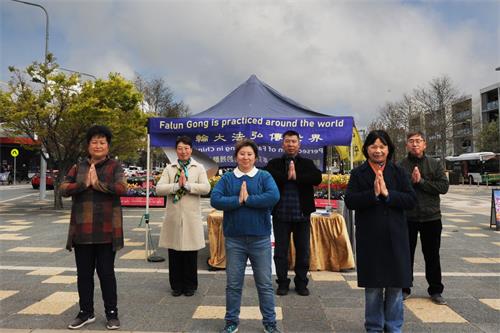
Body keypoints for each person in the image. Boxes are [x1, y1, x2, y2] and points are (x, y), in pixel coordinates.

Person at [344, 130, 416, 333]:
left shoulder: (398, 172)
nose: (378, 150)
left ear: (388, 149)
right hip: (370, 238)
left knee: (395, 287)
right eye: (374, 146)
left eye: (382, 146)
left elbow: (411, 200)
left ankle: (393, 327)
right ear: (366, 149)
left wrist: (387, 194)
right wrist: (373, 195)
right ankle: (374, 327)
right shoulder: (358, 173)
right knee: (373, 288)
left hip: (396, 237)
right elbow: (350, 201)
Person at [211, 139, 281, 333]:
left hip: (260, 239)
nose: (246, 157)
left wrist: (248, 199)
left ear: (256, 157)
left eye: (250, 154)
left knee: (265, 284)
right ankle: (231, 321)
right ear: (236, 156)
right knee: (233, 284)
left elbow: (273, 196)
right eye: (242, 154)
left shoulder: (264, 176)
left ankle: (270, 323)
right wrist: (237, 200)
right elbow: (215, 199)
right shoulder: (227, 178)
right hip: (234, 239)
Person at [60, 125, 126, 330]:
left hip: (107, 231)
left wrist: (97, 184)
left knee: (106, 274)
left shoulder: (115, 166)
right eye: (94, 142)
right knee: (84, 275)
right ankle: (85, 312)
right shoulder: (78, 167)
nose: (98, 145)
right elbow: (63, 188)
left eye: (102, 142)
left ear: (108, 146)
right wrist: (82, 184)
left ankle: (112, 313)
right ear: (88, 145)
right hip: (82, 232)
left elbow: (122, 188)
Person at [265, 130, 322, 296]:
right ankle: (282, 283)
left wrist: (296, 176)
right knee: (281, 251)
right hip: (280, 214)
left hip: (302, 215)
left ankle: (301, 283)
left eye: (294, 141)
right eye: (287, 141)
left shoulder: (307, 163)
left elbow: (317, 178)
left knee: (303, 251)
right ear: (282, 144)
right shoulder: (274, 163)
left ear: (299, 144)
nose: (291, 144)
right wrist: (287, 176)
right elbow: (269, 175)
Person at [156, 135, 211, 297]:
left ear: (191, 150)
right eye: (180, 148)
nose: (183, 151)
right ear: (176, 151)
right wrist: (175, 186)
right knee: (174, 253)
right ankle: (176, 286)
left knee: (190, 253)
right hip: (173, 216)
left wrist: (188, 186)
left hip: (191, 216)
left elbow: (206, 188)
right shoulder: (170, 168)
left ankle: (190, 285)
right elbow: (159, 189)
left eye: (186, 148)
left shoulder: (198, 167)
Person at [399, 131, 449, 305]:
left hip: (431, 217)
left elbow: (444, 187)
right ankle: (404, 288)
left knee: (432, 255)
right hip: (408, 217)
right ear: (407, 145)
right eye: (411, 141)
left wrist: (421, 182)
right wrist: (410, 182)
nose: (415, 144)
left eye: (418, 141)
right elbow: (396, 190)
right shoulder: (400, 165)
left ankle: (435, 290)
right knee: (406, 255)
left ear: (424, 144)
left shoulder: (434, 164)